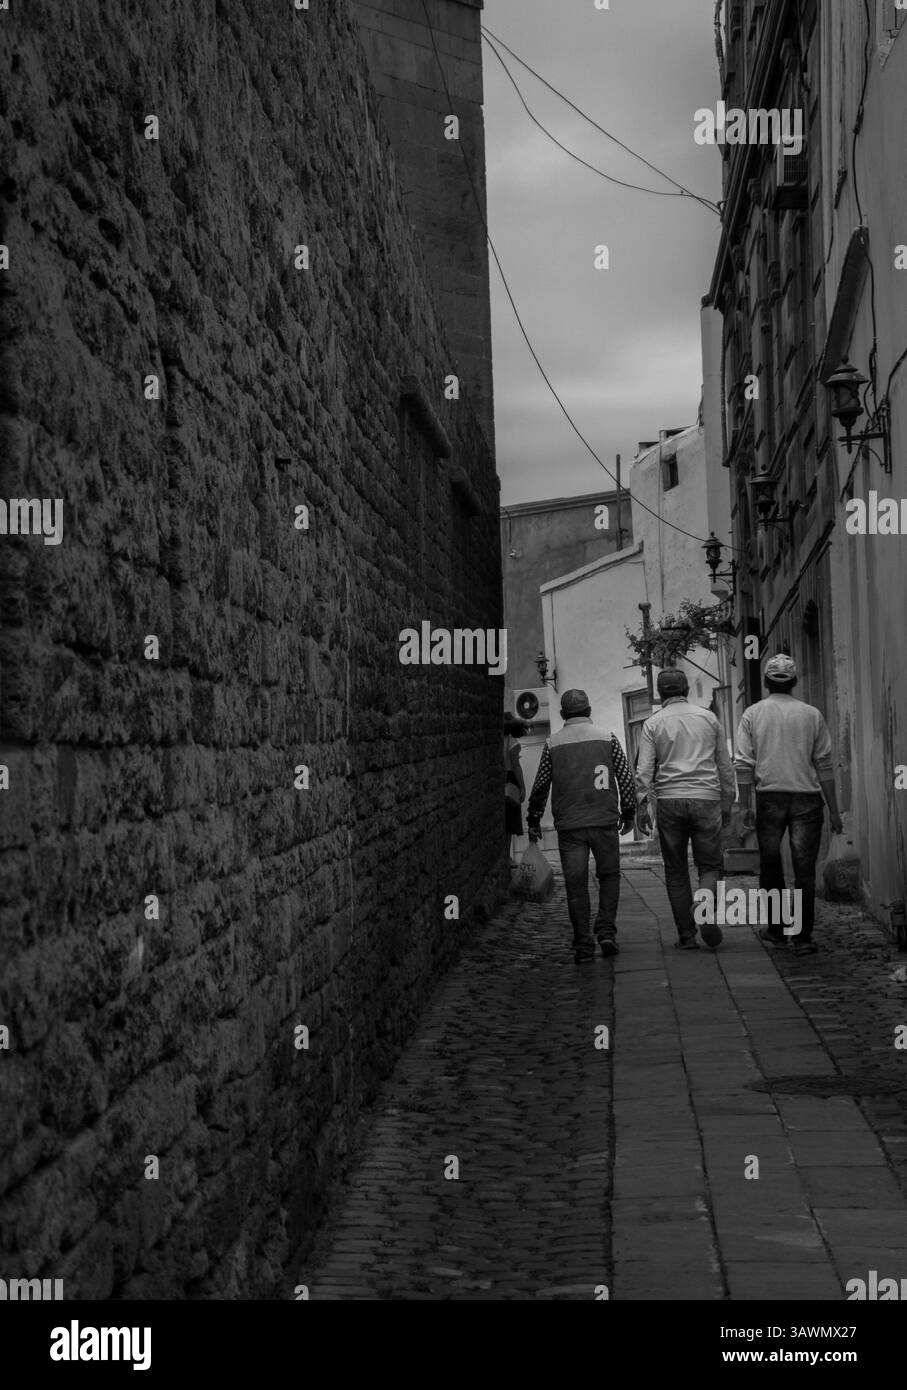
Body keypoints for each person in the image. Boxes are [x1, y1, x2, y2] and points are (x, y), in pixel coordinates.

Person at [734, 654, 843, 956]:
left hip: (770, 798)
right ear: (794, 682)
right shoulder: (812, 714)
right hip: (807, 799)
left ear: (766, 681)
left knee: (771, 866)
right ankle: (803, 938)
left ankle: (778, 931)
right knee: (804, 871)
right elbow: (824, 764)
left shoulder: (752, 714)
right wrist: (834, 810)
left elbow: (743, 764)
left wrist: (744, 806)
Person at [526, 689, 636, 963]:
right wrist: (629, 811)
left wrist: (534, 817)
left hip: (570, 825)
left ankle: (583, 945)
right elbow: (624, 776)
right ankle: (607, 932)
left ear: (563, 715)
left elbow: (540, 785)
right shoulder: (607, 737)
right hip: (604, 819)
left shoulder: (553, 743)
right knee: (609, 876)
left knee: (576, 884)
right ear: (589, 711)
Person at [635, 669, 736, 951]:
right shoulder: (709, 718)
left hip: (669, 800)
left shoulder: (652, 723)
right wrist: (727, 802)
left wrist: (643, 807)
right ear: (687, 690)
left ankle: (687, 936)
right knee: (711, 865)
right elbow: (725, 766)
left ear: (660, 693)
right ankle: (704, 907)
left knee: (676, 870)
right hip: (706, 797)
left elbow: (644, 771)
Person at [503, 711, 527, 866]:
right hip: (509, 780)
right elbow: (516, 767)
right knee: (509, 821)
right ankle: (506, 855)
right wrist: (523, 787)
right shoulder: (512, 743)